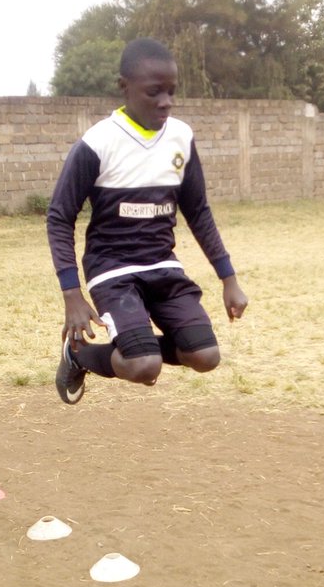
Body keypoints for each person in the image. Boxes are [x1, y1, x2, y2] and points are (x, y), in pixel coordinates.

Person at [46, 37, 248, 404]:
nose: (165, 102)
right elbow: (60, 217)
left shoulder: (181, 137)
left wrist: (228, 278)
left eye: (172, 92)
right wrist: (72, 295)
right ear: (124, 87)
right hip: (112, 269)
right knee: (142, 366)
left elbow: (198, 211)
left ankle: (133, 345)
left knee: (205, 356)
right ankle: (77, 355)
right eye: (155, 92)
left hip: (163, 265)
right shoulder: (97, 143)